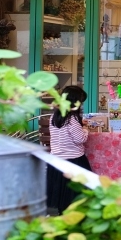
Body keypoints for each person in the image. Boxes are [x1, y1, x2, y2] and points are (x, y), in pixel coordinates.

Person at [46, 85, 90, 213]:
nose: (81, 105)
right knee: (74, 194)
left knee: (60, 194)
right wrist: (85, 129)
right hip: (73, 160)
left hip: (56, 159)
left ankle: (61, 214)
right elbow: (80, 139)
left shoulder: (54, 117)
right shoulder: (72, 119)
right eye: (80, 101)